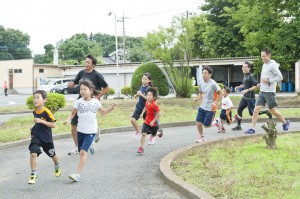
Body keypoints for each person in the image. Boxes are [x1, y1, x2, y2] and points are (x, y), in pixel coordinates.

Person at [64, 80, 116, 182]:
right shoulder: (78, 102)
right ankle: (91, 144)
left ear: (91, 90)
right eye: (81, 90)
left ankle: (77, 174)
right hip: (80, 131)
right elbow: (73, 114)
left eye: (85, 89)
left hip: (91, 131)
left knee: (83, 152)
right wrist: (68, 119)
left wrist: (111, 108)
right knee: (80, 151)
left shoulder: (95, 102)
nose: (82, 91)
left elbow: (102, 112)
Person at [67, 54, 109, 155]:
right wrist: (71, 84)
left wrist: (97, 97)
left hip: (92, 101)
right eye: (85, 62)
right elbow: (75, 82)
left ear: (93, 65)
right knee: (74, 125)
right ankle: (77, 147)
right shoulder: (81, 72)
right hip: (81, 100)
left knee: (89, 120)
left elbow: (106, 87)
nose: (86, 64)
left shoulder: (97, 75)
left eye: (88, 62)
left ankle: (95, 131)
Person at [245, 48, 290, 134]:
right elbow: (264, 78)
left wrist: (269, 80)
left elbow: (280, 77)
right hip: (262, 91)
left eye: (264, 56)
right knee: (256, 109)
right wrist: (260, 84)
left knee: (273, 110)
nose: (262, 58)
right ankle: (252, 129)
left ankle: (285, 122)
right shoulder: (264, 64)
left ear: (269, 55)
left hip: (269, 92)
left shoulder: (273, 65)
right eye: (261, 56)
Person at [28, 90, 61, 184]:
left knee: (52, 154)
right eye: (34, 98)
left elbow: (53, 125)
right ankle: (34, 174)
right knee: (33, 153)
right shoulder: (34, 111)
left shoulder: (47, 112)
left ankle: (57, 164)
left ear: (44, 100)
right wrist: (34, 127)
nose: (35, 100)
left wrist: (41, 121)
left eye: (38, 97)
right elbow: (37, 122)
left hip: (46, 138)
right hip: (36, 136)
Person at [194, 66, 223, 143]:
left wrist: (215, 102)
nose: (203, 75)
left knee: (206, 125)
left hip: (211, 108)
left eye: (205, 73)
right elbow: (201, 93)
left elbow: (221, 93)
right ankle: (202, 137)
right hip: (203, 106)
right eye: (203, 73)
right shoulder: (200, 83)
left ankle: (217, 121)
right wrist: (198, 98)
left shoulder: (213, 84)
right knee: (198, 123)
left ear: (210, 75)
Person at [232, 62, 259, 131]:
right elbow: (246, 85)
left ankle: (265, 112)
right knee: (239, 110)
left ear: (249, 68)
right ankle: (239, 126)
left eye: (245, 67)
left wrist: (247, 90)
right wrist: (239, 87)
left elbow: (256, 86)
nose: (243, 68)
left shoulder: (251, 76)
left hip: (250, 98)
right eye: (243, 67)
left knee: (252, 113)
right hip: (245, 97)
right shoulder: (245, 75)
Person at [137, 87, 163, 153]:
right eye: (147, 95)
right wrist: (142, 113)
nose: (148, 97)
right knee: (143, 134)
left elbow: (158, 114)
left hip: (154, 123)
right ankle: (141, 148)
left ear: (154, 97)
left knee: (153, 134)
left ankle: (159, 133)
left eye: (149, 95)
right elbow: (145, 107)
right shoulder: (147, 102)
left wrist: (153, 121)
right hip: (147, 121)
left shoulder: (155, 105)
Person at [131, 73, 152, 139]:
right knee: (132, 120)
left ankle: (158, 133)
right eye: (143, 78)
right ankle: (138, 131)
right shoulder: (142, 86)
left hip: (146, 109)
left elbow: (149, 99)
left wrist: (141, 94)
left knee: (148, 130)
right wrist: (137, 95)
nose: (143, 80)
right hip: (139, 107)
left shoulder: (149, 89)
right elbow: (141, 94)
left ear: (149, 81)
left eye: (145, 79)